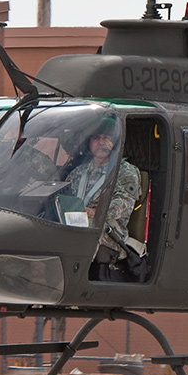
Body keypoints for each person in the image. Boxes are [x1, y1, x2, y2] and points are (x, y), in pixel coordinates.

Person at [64, 118, 141, 276]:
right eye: (96, 138)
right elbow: (65, 199)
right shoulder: (79, 172)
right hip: (76, 225)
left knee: (86, 232)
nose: (101, 142)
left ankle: (74, 278)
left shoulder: (124, 170)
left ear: (114, 142)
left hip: (108, 233)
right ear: (89, 142)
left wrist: (94, 211)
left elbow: (123, 204)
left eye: (106, 138)